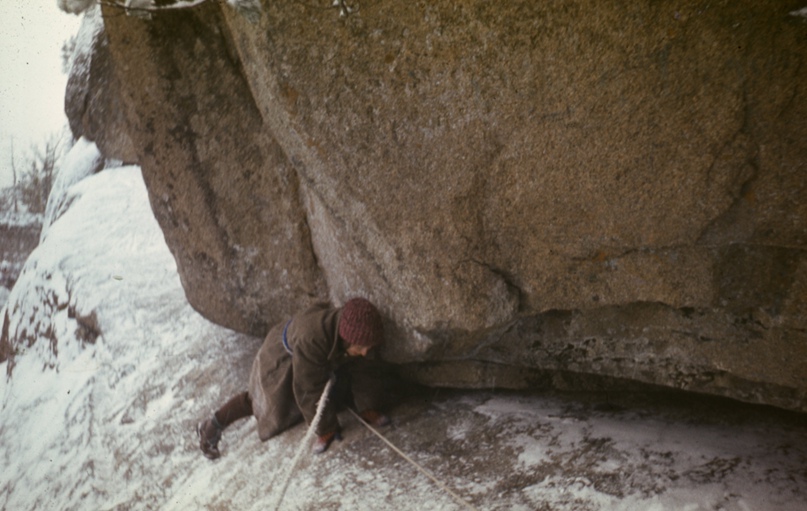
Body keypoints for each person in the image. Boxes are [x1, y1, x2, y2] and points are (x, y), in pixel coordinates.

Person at [197, 297, 391, 459]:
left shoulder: (354, 329)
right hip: (280, 356)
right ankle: (213, 425)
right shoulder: (313, 338)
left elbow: (365, 368)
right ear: (346, 338)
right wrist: (326, 428)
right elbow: (309, 388)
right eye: (360, 347)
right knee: (263, 402)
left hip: (308, 352)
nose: (366, 352)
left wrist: (368, 406)